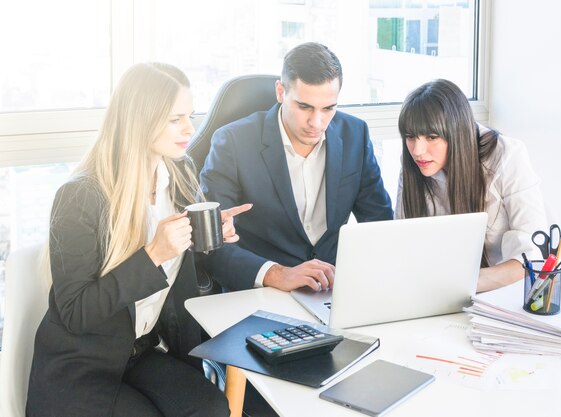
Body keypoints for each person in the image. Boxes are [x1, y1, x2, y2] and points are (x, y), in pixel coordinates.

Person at [27, 63, 251, 417]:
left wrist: (208, 237)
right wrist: (153, 255)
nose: (190, 129)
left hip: (141, 351)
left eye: (189, 116)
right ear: (141, 120)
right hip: (82, 366)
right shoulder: (80, 196)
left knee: (210, 406)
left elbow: (183, 266)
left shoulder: (179, 172)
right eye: (176, 119)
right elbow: (75, 313)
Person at [200, 42, 393, 293]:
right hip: (262, 293)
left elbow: (380, 224)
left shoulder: (355, 134)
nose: (317, 122)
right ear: (281, 92)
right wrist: (275, 274)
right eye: (305, 107)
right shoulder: (233, 143)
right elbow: (211, 245)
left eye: (328, 108)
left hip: (333, 291)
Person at [396, 79, 547, 292]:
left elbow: (533, 261)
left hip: (513, 296)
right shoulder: (413, 166)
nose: (418, 150)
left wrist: (455, 284)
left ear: (457, 133)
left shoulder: (507, 157)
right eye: (411, 137)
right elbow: (404, 249)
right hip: (447, 296)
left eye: (432, 137)